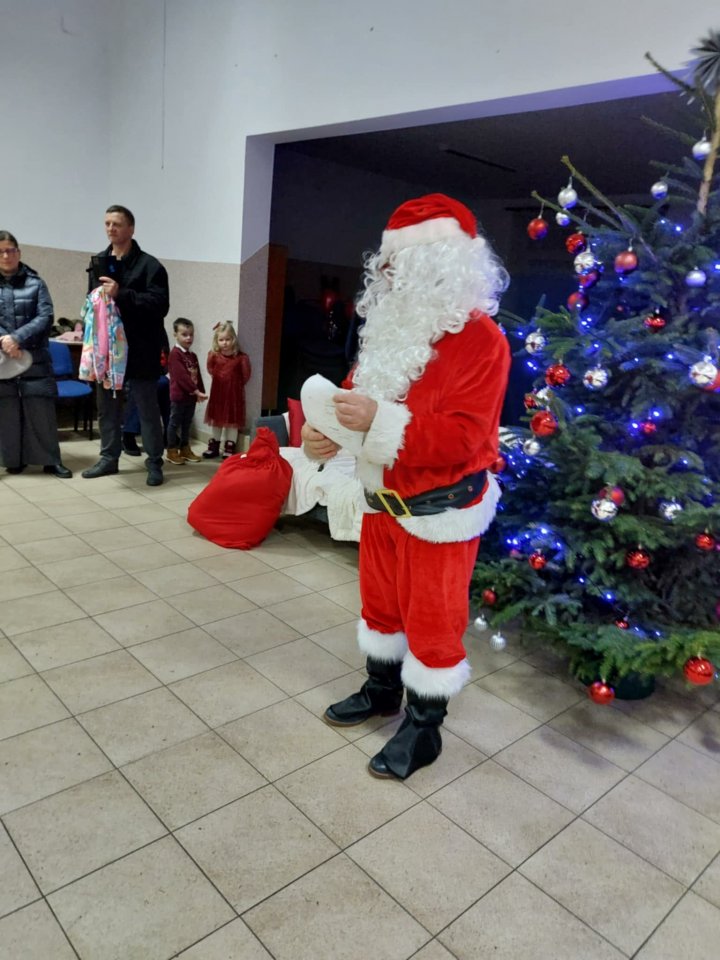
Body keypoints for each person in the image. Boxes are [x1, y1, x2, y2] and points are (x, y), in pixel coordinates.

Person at [302, 194, 511, 781]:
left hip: (440, 512)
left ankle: (424, 728)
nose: (389, 275)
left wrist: (378, 422)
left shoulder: (482, 340)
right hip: (382, 503)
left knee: (432, 621)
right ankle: (381, 691)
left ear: (441, 265)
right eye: (386, 265)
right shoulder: (389, 331)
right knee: (381, 608)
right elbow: (352, 402)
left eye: (401, 265)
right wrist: (324, 435)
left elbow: (465, 438)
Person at [82, 205, 169, 486]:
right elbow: (93, 301)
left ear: (131, 229)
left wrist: (122, 294)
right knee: (107, 408)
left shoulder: (150, 266)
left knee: (146, 409)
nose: (111, 228)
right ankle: (109, 458)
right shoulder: (99, 262)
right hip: (107, 351)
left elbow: (160, 305)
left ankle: (154, 463)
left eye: (117, 224)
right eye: (107, 223)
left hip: (141, 349)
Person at [0, 230, 72, 478]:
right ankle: (14, 459)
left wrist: (17, 338)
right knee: (7, 412)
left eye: (10, 250)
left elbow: (45, 316)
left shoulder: (36, 283)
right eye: (1, 252)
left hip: (34, 357)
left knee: (41, 411)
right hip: (3, 359)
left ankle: (51, 461)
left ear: (18, 253)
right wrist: (5, 340)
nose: (6, 256)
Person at [202, 321, 251, 459]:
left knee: (232, 422)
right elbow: (210, 369)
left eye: (228, 339)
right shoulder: (214, 355)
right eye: (221, 340)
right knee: (216, 420)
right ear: (217, 341)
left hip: (234, 395)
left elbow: (246, 375)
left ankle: (230, 445)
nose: (224, 343)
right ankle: (214, 445)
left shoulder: (241, 358)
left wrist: (233, 384)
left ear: (233, 339)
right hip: (218, 394)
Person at [166, 318, 207, 464]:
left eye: (191, 334)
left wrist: (200, 391)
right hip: (179, 396)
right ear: (175, 335)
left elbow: (197, 375)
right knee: (174, 423)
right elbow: (181, 376)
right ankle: (171, 450)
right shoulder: (175, 354)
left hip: (191, 397)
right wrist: (196, 391)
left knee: (186, 423)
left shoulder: (192, 355)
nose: (189, 338)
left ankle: (185, 448)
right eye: (184, 334)